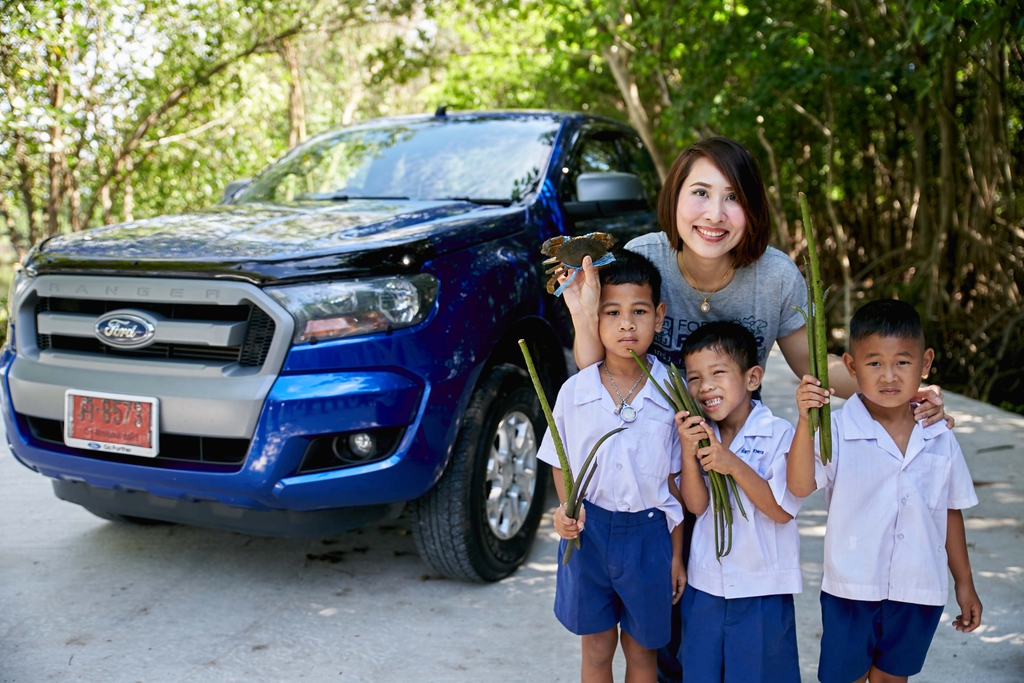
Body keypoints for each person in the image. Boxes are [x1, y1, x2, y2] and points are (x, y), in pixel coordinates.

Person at [558, 136, 949, 681]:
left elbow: (816, 367)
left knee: (717, 604)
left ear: (753, 209)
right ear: (675, 198)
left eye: (733, 198)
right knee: (663, 628)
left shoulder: (776, 276)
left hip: (736, 454)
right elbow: (599, 364)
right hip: (658, 461)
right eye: (700, 193)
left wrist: (898, 389)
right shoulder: (644, 256)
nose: (714, 214)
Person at [788, 299, 982, 683]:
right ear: (851, 366)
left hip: (919, 587)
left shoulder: (938, 433)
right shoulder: (836, 430)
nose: (889, 376)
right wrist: (805, 421)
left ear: (925, 363)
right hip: (851, 590)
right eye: (874, 363)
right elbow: (799, 485)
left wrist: (964, 583)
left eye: (902, 362)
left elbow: (950, 510)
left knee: (892, 678)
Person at [538, 250, 687, 683]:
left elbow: (675, 483)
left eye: (639, 311)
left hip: (649, 536)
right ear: (595, 317)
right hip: (589, 534)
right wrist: (566, 510)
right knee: (597, 649)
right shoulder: (576, 391)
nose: (626, 324)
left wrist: (676, 556)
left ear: (659, 315)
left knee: (642, 653)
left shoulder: (672, 391)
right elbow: (560, 461)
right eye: (612, 312)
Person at [674, 321, 802, 682]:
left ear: (752, 378)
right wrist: (688, 452)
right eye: (694, 378)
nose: (705, 386)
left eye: (718, 372)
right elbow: (697, 506)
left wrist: (732, 464)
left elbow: (781, 511)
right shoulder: (701, 433)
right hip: (706, 586)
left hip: (762, 589)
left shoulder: (778, 433)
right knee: (700, 674)